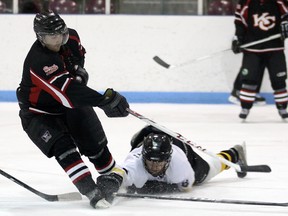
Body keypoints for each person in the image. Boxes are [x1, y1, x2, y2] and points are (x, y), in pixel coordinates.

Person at [16, 10, 130, 209]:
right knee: (64, 147)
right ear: (40, 37)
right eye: (53, 36)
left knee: (94, 142)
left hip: (67, 103)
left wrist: (78, 74)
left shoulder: (72, 37)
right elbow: (68, 94)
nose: (59, 39)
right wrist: (103, 100)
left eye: (62, 33)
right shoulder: (39, 61)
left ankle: (114, 175)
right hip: (38, 113)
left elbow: (77, 61)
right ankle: (90, 190)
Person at [95, 125, 248, 203]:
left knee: (206, 172)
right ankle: (146, 136)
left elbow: (185, 187)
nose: (154, 166)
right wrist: (114, 180)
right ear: (143, 157)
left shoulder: (180, 166)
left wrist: (155, 188)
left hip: (181, 149)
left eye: (159, 162)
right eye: (150, 161)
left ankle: (235, 153)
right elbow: (123, 171)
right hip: (150, 147)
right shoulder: (135, 161)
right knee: (134, 180)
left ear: (167, 160)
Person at [231, 0, 288, 119]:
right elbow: (239, 21)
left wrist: (286, 22)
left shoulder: (279, 1)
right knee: (249, 80)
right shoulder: (246, 2)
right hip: (253, 49)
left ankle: (282, 108)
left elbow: (286, 15)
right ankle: (245, 107)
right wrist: (238, 37)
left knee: (279, 81)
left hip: (275, 47)